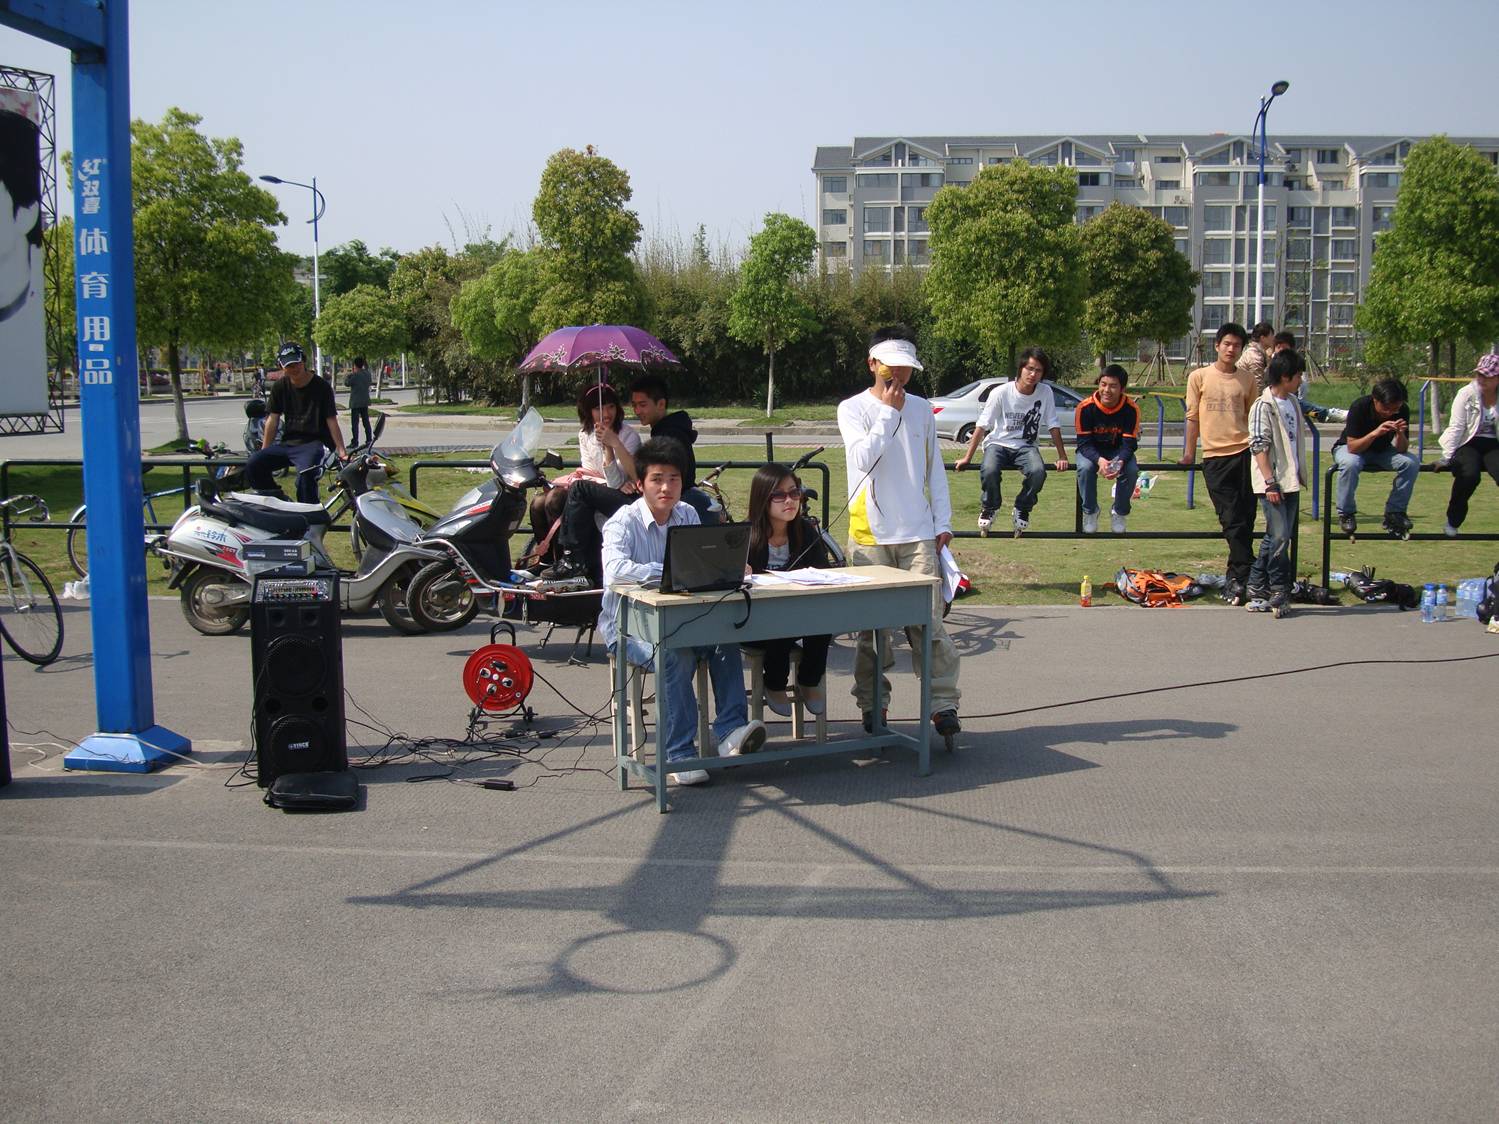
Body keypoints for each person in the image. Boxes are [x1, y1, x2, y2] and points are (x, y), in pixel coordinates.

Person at [599, 437, 766, 786]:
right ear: (641, 482)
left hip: (683, 619)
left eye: (674, 479)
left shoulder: (687, 513)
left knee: (725, 640)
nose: (666, 487)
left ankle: (731, 731)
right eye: (657, 479)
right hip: (627, 628)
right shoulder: (622, 522)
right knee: (673, 654)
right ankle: (679, 754)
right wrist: (668, 570)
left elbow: (701, 560)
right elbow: (614, 571)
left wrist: (730, 567)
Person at [836, 325, 961, 738]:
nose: (900, 377)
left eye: (906, 368)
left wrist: (942, 523)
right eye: (892, 367)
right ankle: (873, 704)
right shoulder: (852, 408)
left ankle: (942, 703)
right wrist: (888, 412)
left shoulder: (924, 409)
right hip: (870, 534)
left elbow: (933, 469)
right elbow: (862, 457)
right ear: (872, 363)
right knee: (874, 632)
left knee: (929, 623)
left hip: (918, 532)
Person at [742, 463, 833, 717]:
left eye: (794, 493)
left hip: (797, 613)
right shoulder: (745, 534)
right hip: (753, 621)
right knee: (782, 620)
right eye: (779, 495)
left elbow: (824, 570)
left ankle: (809, 680)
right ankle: (774, 683)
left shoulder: (806, 530)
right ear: (763, 498)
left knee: (825, 620)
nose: (790, 501)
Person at [953, 346, 1069, 535]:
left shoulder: (1045, 392)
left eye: (1038, 370)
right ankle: (990, 507)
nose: (1032, 374)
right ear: (1021, 369)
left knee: (1038, 471)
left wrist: (1062, 456)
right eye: (1029, 368)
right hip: (998, 443)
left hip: (1026, 445)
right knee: (989, 469)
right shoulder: (1001, 392)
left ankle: (1023, 507)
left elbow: (1053, 424)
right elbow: (982, 425)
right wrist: (967, 458)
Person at [1179, 323, 1257, 604]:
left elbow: (1253, 418)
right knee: (1231, 519)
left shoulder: (1248, 379)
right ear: (1217, 345)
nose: (1230, 349)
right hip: (1214, 457)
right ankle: (1249, 572)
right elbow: (1192, 417)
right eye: (1226, 344)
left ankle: (1237, 579)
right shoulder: (1199, 377)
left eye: (1236, 345)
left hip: (1245, 453)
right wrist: (1189, 453)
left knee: (1246, 518)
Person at [541, 383, 643, 586]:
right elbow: (589, 473)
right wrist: (604, 482)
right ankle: (550, 560)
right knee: (543, 501)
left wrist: (612, 446)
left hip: (627, 497)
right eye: (599, 408)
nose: (606, 413)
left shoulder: (629, 435)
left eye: (611, 407)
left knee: (578, 489)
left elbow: (619, 482)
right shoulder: (585, 435)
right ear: (588, 411)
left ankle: (573, 560)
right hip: (601, 490)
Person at [1246, 350, 1308, 615]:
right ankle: (1279, 588)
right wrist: (1270, 482)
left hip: (1290, 479)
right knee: (1281, 537)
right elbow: (1258, 446)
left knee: (1277, 536)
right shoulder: (1264, 405)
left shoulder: (1293, 402)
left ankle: (1256, 584)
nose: (1301, 380)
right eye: (1298, 376)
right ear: (1285, 377)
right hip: (1272, 481)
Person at [245, 342, 347, 503]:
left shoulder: (321, 387)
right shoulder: (280, 386)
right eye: (289, 366)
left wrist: (341, 450)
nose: (294, 369)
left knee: (305, 476)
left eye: (297, 363)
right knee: (254, 464)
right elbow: (273, 418)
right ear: (281, 366)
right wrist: (265, 450)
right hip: (289, 443)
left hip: (313, 443)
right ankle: (276, 500)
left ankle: (308, 515)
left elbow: (331, 419)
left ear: (304, 361)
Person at [1332, 378, 1418, 537]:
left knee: (1411, 463)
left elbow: (1402, 449)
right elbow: (1352, 447)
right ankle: (1346, 513)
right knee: (1351, 463)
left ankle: (1395, 512)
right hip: (1351, 448)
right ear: (1375, 400)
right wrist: (1375, 433)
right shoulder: (1360, 407)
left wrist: (1400, 434)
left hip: (1382, 451)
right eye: (1386, 408)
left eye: (1395, 409)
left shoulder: (1401, 410)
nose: (1390, 413)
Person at [627, 373, 716, 523]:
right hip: (676, 499)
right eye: (634, 405)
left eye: (642, 405)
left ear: (661, 404)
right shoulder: (670, 430)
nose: (637, 411)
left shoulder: (669, 436)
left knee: (583, 491)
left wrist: (614, 443)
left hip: (671, 502)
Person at [1073, 364, 1141, 534]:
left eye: (1113, 386)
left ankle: (1119, 511)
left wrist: (1118, 462)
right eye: (1103, 384)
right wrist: (1100, 460)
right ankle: (1090, 511)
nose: (1106, 390)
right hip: (1091, 450)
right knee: (1085, 468)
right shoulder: (1085, 407)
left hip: (1118, 450)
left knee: (1131, 469)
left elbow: (1129, 443)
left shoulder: (1131, 409)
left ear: (1122, 389)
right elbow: (1084, 443)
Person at [1436, 352, 1499, 537]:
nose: (1482, 379)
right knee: (1469, 475)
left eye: (1488, 376)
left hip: (1493, 444)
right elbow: (1456, 427)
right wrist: (1446, 457)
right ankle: (1453, 520)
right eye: (1480, 374)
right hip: (1467, 442)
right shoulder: (1466, 393)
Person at [1238, 321, 1276, 390]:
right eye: (1271, 335)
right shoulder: (1255, 356)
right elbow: (1257, 386)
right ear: (1263, 338)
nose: (1273, 338)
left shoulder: (1257, 352)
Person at [346, 357, 374, 447]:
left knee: (355, 424)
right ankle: (369, 440)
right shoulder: (367, 374)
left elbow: (347, 383)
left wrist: (349, 375)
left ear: (355, 365)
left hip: (356, 403)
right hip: (365, 401)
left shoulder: (355, 375)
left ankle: (355, 441)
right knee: (366, 422)